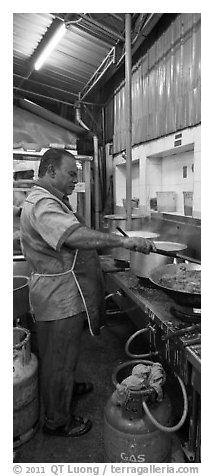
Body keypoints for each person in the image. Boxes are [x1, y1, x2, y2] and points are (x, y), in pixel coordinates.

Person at [20, 148, 156, 438]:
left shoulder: (55, 200)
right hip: (57, 298)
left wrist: (101, 263)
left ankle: (65, 392)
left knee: (63, 356)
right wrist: (128, 243)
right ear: (51, 171)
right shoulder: (43, 203)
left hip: (62, 294)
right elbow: (73, 236)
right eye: (71, 174)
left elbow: (70, 249)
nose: (75, 180)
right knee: (58, 360)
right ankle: (57, 421)